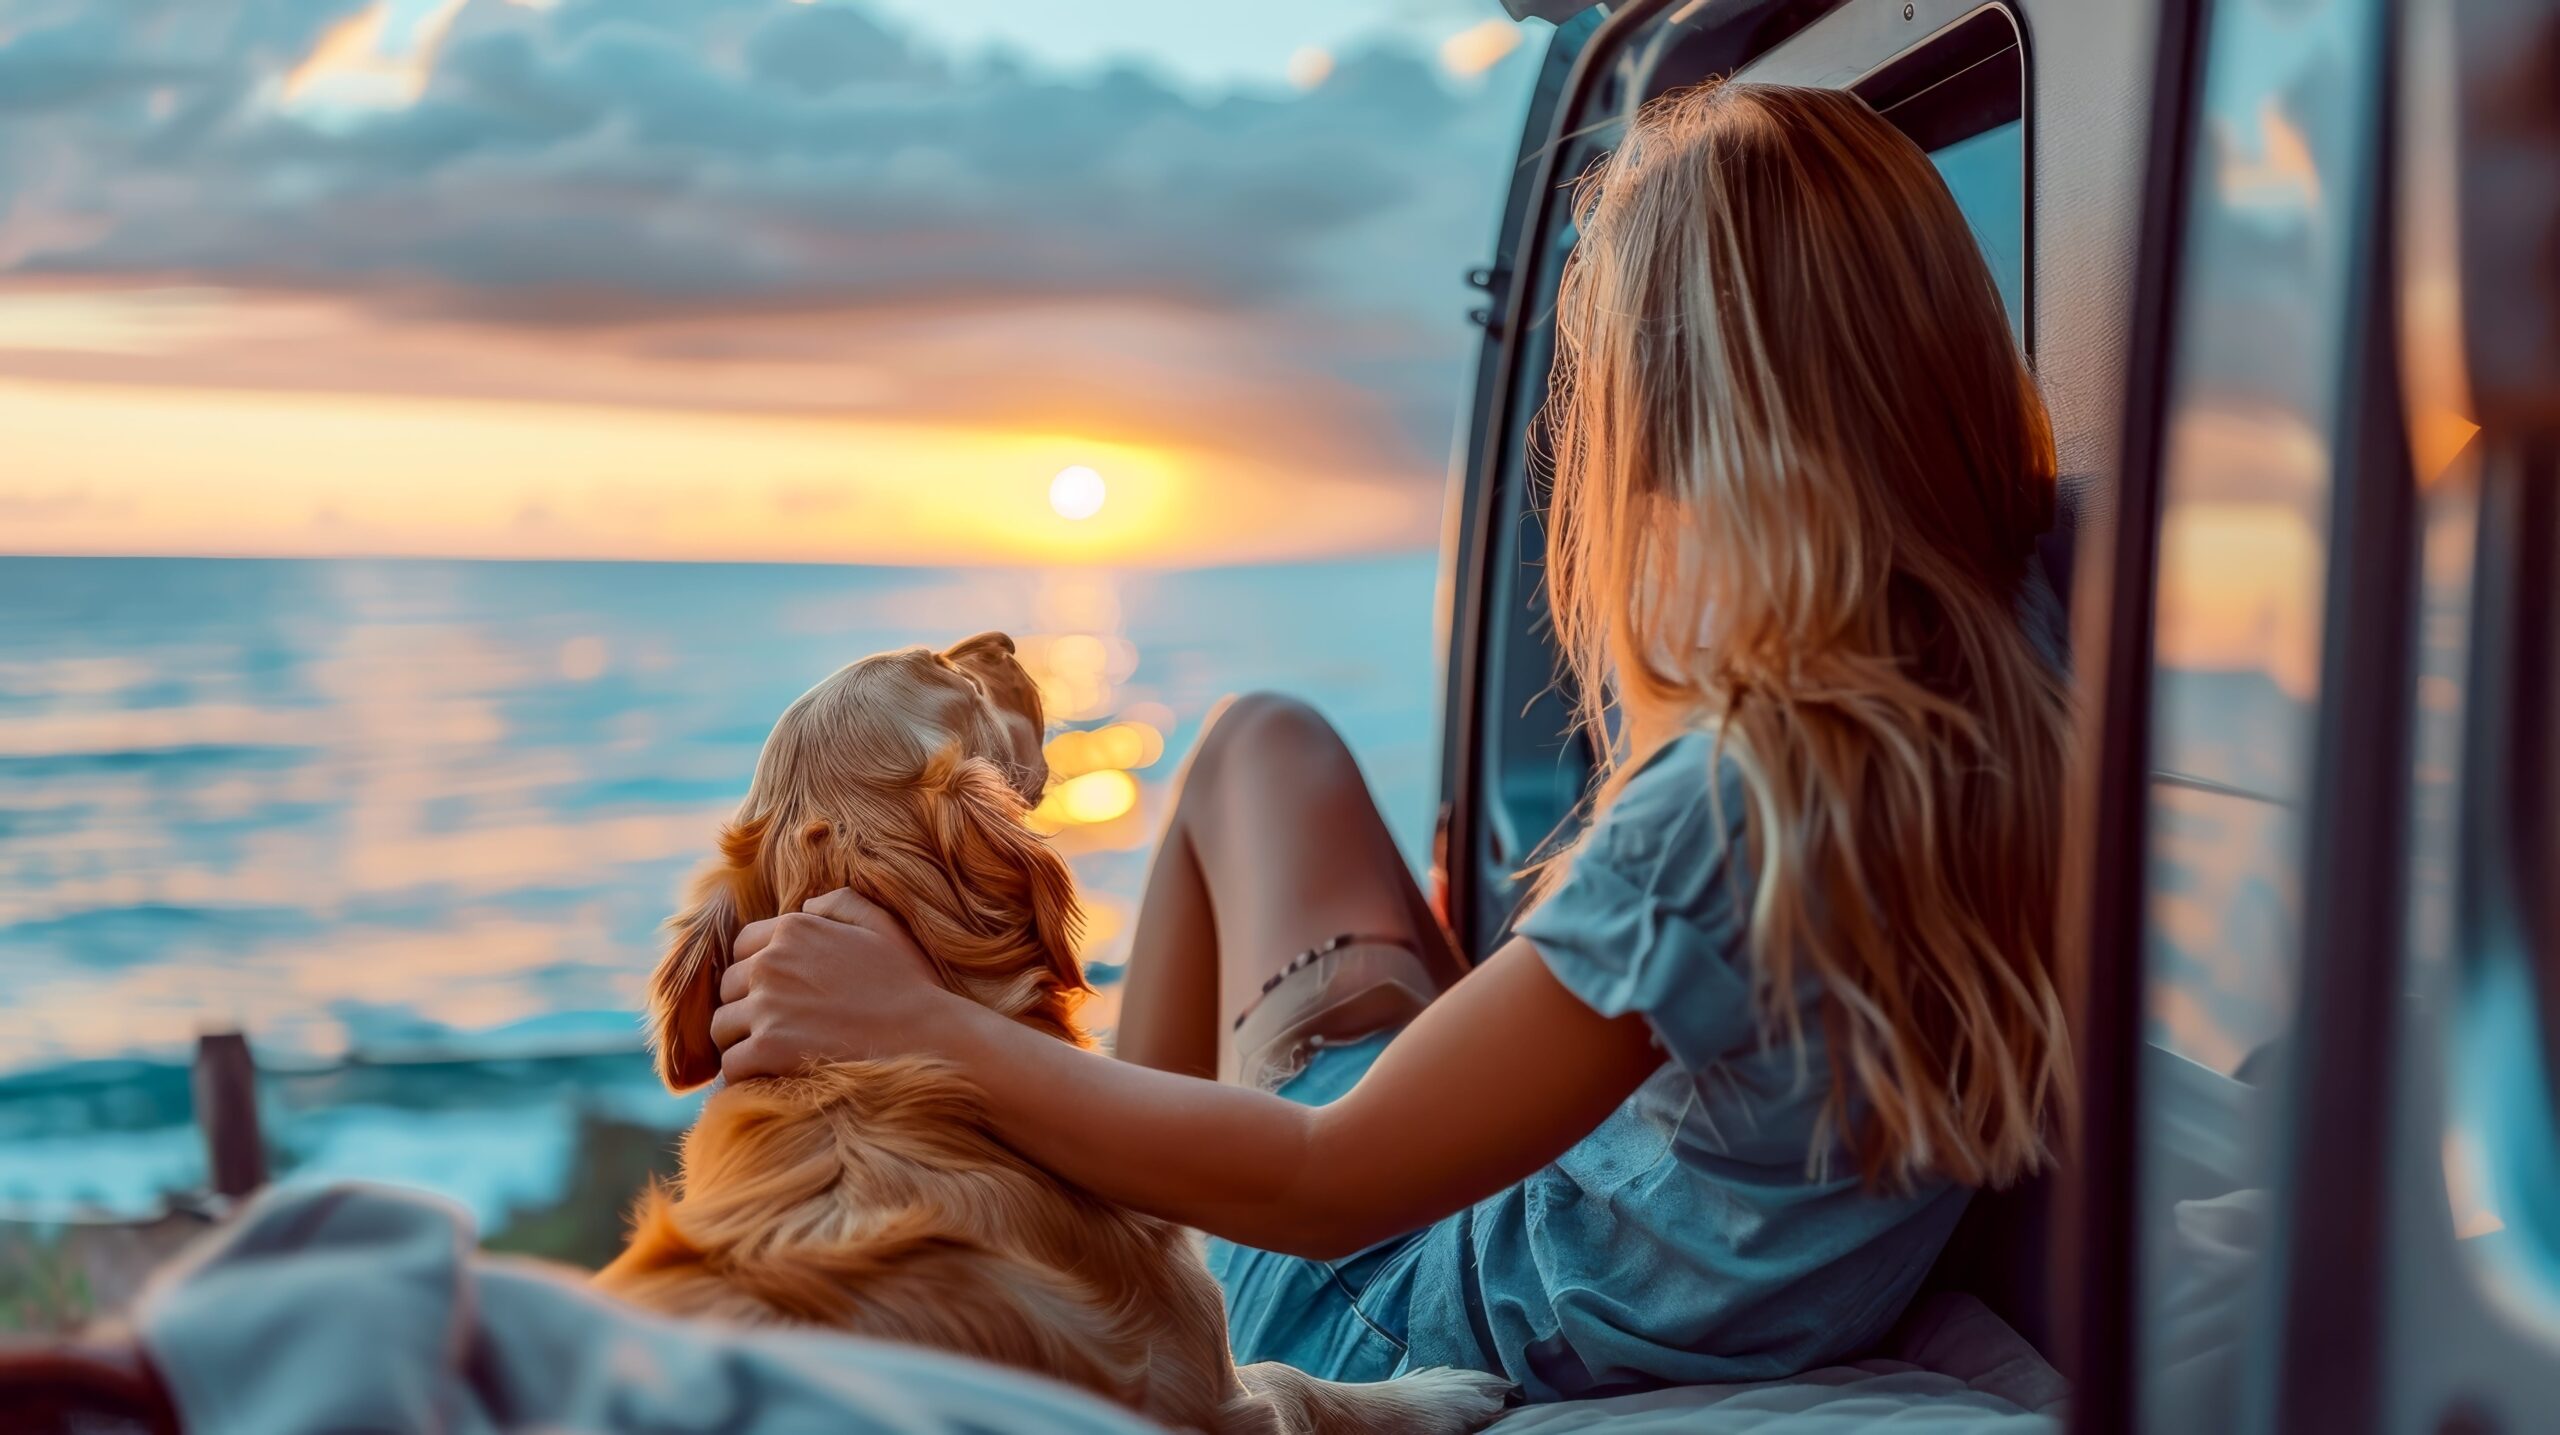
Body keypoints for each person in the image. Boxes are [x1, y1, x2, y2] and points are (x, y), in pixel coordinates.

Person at [707, 79, 2075, 1405]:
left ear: (1668, 422)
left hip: (1389, 1306)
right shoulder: (2013, 665)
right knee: (1270, 752)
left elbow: (1323, 1183)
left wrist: (923, 1025)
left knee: (1252, 753)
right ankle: (1124, 1215)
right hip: (1607, 1222)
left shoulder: (1736, 802)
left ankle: (1131, 1286)